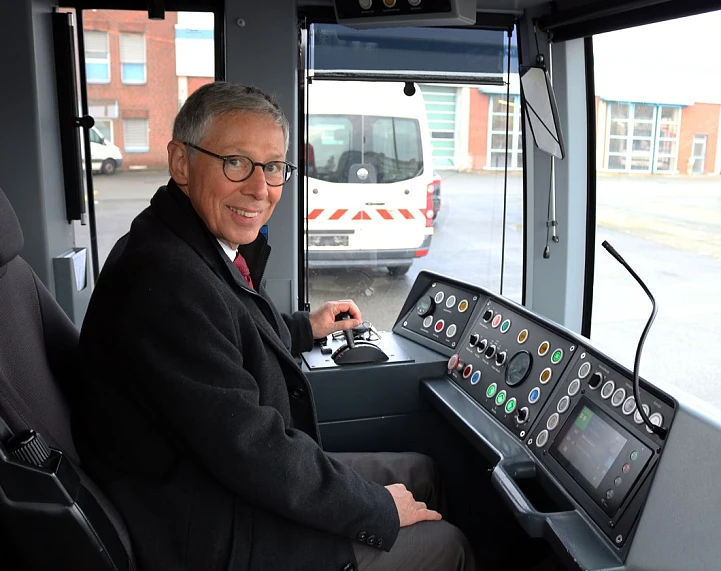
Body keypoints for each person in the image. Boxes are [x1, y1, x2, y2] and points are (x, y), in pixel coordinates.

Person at [74, 82, 475, 571]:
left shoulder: (188, 247)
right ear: (181, 162)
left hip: (218, 485)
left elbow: (226, 336)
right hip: (212, 529)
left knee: (423, 473)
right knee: (447, 544)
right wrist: (375, 509)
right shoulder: (164, 280)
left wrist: (305, 328)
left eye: (273, 167)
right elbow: (252, 449)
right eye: (235, 162)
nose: (260, 189)